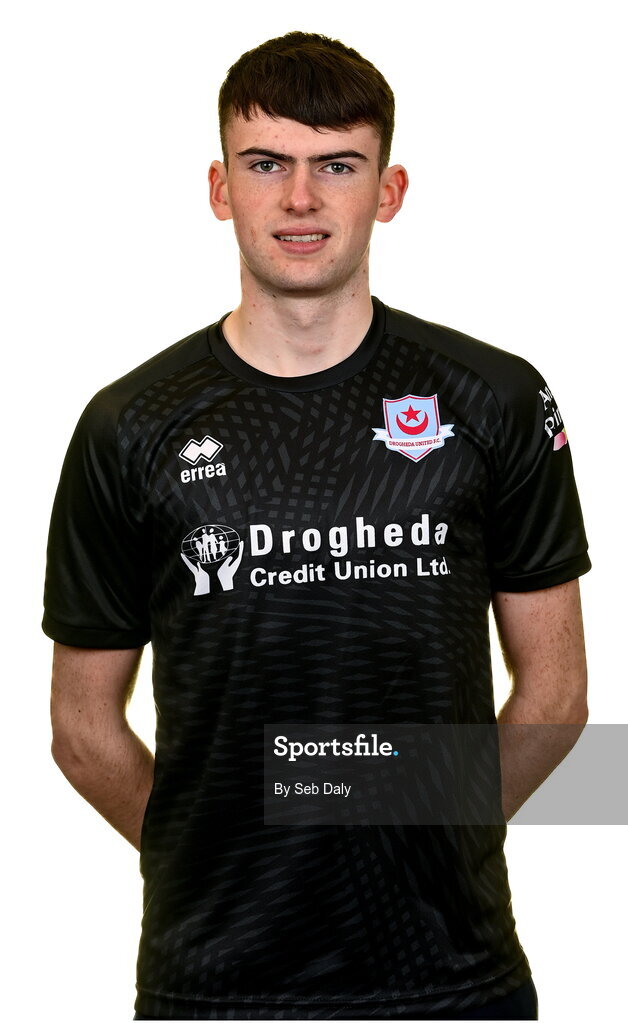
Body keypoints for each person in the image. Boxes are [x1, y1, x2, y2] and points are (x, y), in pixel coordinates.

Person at [42, 31, 591, 1021]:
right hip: (214, 984)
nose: (300, 200)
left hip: (449, 979)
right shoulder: (128, 425)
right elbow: (83, 731)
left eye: (337, 165)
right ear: (221, 187)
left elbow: (554, 695)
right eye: (267, 165)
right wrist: (225, 847)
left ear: (388, 190)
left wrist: (417, 822)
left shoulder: (495, 398)